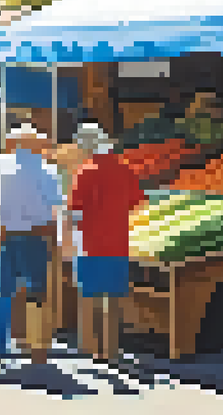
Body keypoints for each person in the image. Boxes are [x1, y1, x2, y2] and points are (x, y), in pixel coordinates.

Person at [0, 124, 65, 368]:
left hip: (7, 236)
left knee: (3, 293)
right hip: (37, 237)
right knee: (37, 294)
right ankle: (36, 346)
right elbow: (56, 209)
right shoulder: (47, 171)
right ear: (35, 145)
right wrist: (57, 241)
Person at [67, 123, 143, 362]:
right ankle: (110, 351)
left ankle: (89, 349)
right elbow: (135, 202)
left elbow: (75, 210)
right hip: (118, 243)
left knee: (89, 297)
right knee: (113, 298)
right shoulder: (125, 170)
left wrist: (68, 233)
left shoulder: (85, 171)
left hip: (89, 243)